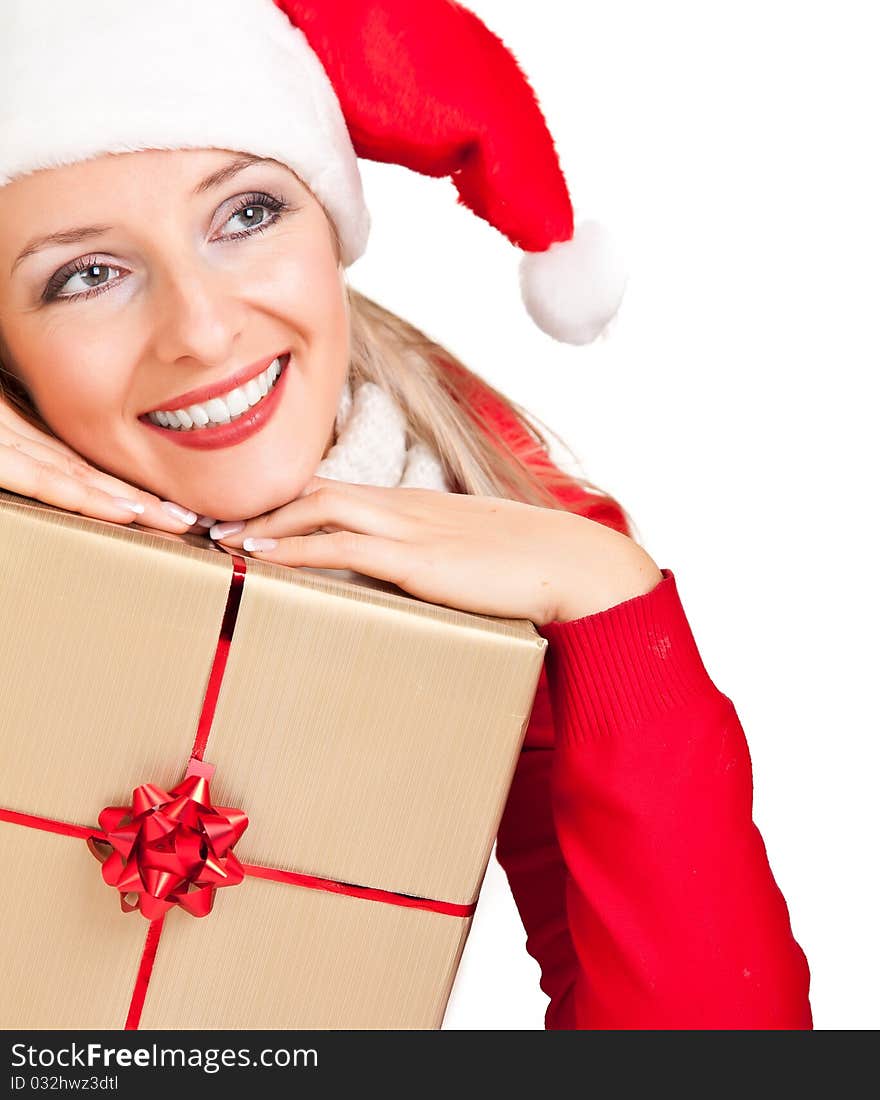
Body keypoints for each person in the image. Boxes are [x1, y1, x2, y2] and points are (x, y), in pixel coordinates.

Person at [0, 0, 812, 1029]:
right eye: (87, 274)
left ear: (331, 232)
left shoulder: (483, 540)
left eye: (246, 213)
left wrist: (613, 608)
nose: (202, 331)